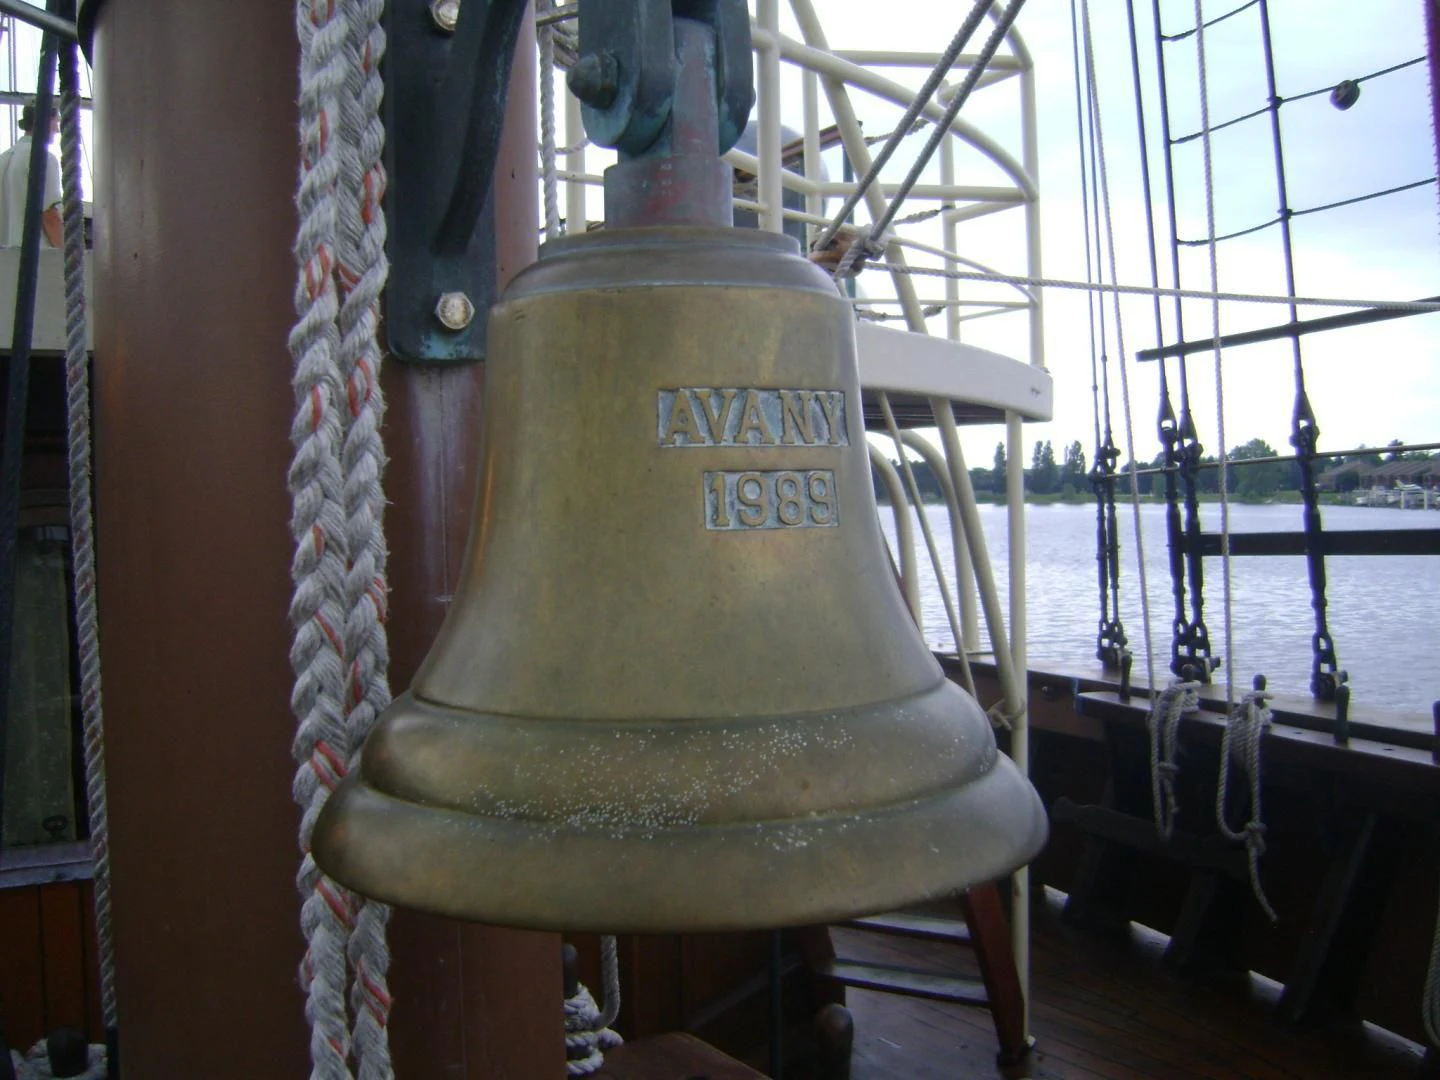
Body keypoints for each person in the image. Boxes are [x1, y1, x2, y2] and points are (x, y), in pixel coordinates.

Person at [0, 101, 62, 248]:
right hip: (38, 260)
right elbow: (50, 217)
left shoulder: (3, 160)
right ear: (45, 120)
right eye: (56, 121)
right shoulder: (43, 158)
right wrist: (65, 255)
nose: (57, 129)